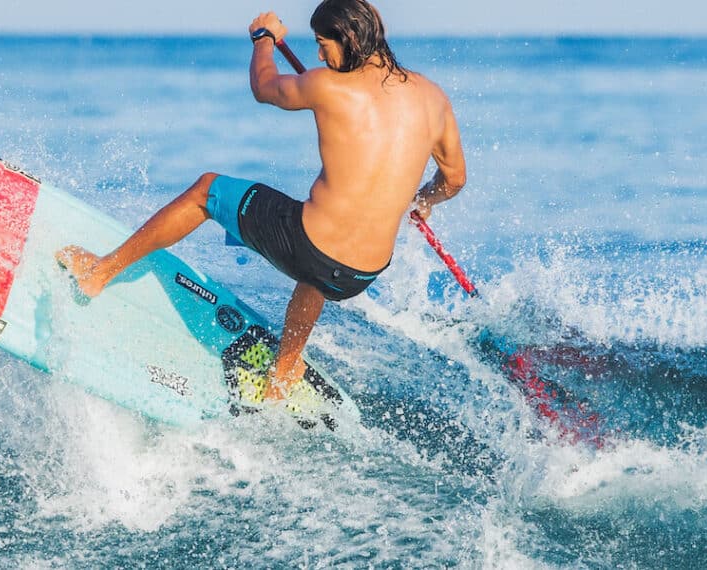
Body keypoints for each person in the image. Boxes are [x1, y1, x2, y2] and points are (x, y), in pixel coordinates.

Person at [57, 0, 466, 402]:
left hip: (310, 247)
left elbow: (264, 87)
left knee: (206, 190)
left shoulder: (327, 85)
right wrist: (422, 200)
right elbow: (454, 180)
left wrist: (263, 37)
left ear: (352, 37)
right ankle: (284, 369)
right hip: (362, 274)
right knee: (319, 273)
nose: (319, 54)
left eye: (323, 44)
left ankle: (99, 272)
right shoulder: (434, 99)